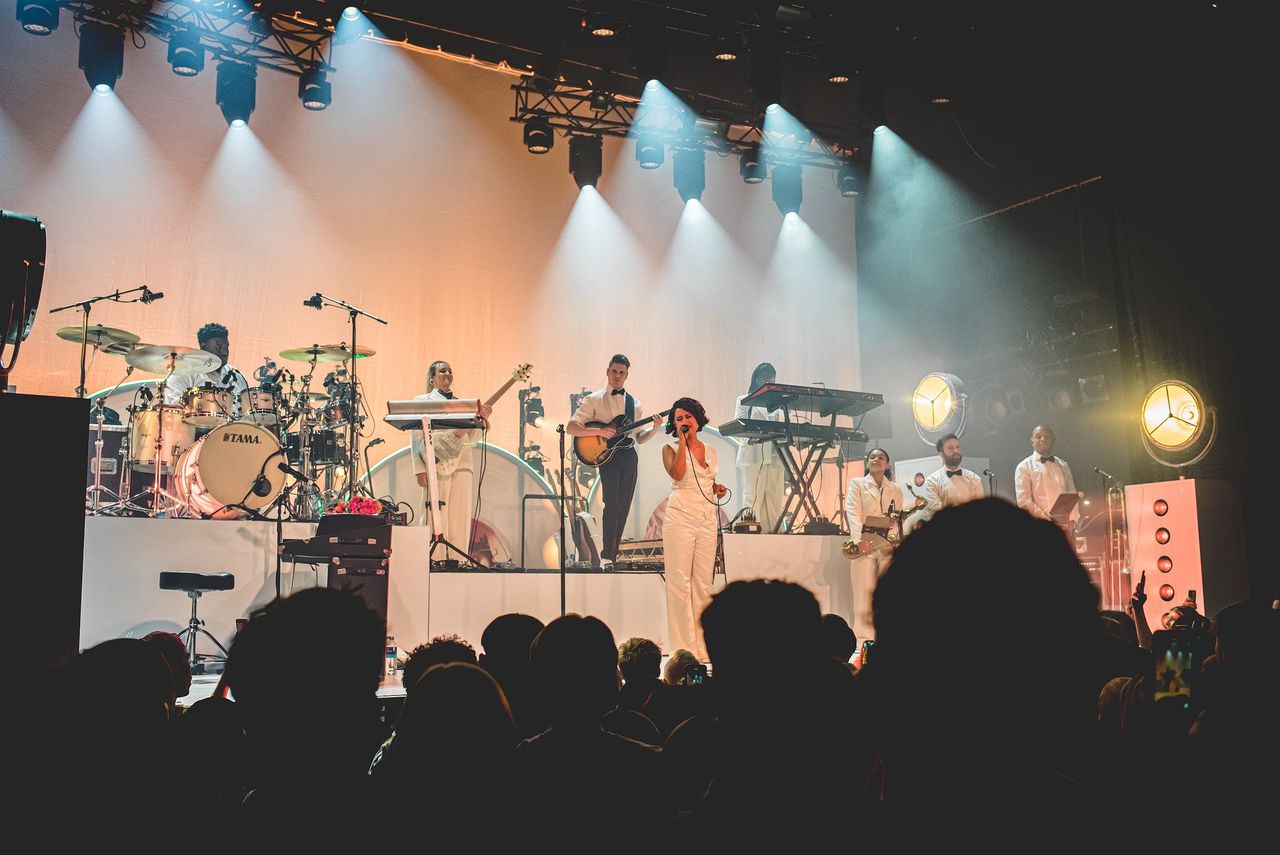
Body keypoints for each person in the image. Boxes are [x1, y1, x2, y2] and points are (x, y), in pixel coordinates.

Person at [566, 354, 662, 564]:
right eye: (614, 371)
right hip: (607, 456)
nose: (617, 376)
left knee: (624, 505)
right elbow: (571, 427)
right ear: (607, 371)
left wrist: (655, 429)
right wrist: (600, 431)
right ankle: (607, 555)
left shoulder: (634, 404)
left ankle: (614, 552)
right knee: (612, 503)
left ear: (627, 375)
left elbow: (639, 438)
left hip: (628, 454)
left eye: (621, 373)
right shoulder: (594, 399)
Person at [661, 398, 727, 662]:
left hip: (706, 517)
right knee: (679, 583)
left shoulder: (711, 449)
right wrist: (683, 443)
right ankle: (683, 649)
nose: (684, 421)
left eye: (687, 416)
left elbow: (706, 481)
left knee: (703, 583)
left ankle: (704, 645)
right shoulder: (669, 448)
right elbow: (678, 475)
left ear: (697, 419)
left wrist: (717, 489)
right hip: (679, 517)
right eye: (678, 419)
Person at [409, 360, 493, 554]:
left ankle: (459, 558)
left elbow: (473, 438)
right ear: (432, 378)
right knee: (434, 513)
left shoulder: (463, 404)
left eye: (450, 371)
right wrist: (419, 469)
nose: (447, 373)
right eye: (442, 370)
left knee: (460, 514)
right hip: (434, 462)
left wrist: (482, 421)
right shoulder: (421, 400)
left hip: (462, 462)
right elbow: (415, 436)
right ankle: (433, 558)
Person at [844, 448, 913, 639]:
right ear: (867, 462)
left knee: (887, 592)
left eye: (881, 458)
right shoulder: (857, 484)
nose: (876, 460)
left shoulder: (896, 489)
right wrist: (859, 540)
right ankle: (863, 640)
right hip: (864, 544)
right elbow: (853, 512)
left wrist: (893, 527)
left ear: (887, 464)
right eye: (872, 457)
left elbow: (898, 516)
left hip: (887, 545)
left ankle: (886, 634)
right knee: (863, 592)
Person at [733, 362, 786, 531]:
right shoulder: (744, 400)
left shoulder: (779, 403)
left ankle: (774, 532)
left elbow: (784, 426)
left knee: (774, 497)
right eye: (765, 378)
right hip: (754, 454)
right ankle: (751, 531)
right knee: (753, 495)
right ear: (757, 380)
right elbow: (738, 427)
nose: (769, 382)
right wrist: (754, 436)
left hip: (775, 454)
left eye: (772, 379)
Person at [162, 322, 249, 418]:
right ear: (204, 347)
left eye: (226, 347)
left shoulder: (237, 376)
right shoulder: (182, 373)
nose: (224, 352)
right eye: (218, 347)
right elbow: (173, 411)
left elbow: (248, 414)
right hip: (195, 430)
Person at [1014, 424, 1080, 528]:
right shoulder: (1023, 467)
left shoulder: (1063, 465)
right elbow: (1024, 501)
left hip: (1065, 525)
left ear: (1053, 440)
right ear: (1032, 441)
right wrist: (1046, 520)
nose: (1043, 439)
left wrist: (1073, 520)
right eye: (1038, 436)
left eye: (1046, 436)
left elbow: (1072, 495)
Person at [921, 433, 984, 520]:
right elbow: (937, 512)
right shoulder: (932, 481)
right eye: (950, 448)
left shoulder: (975, 478)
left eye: (957, 447)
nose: (956, 451)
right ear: (941, 454)